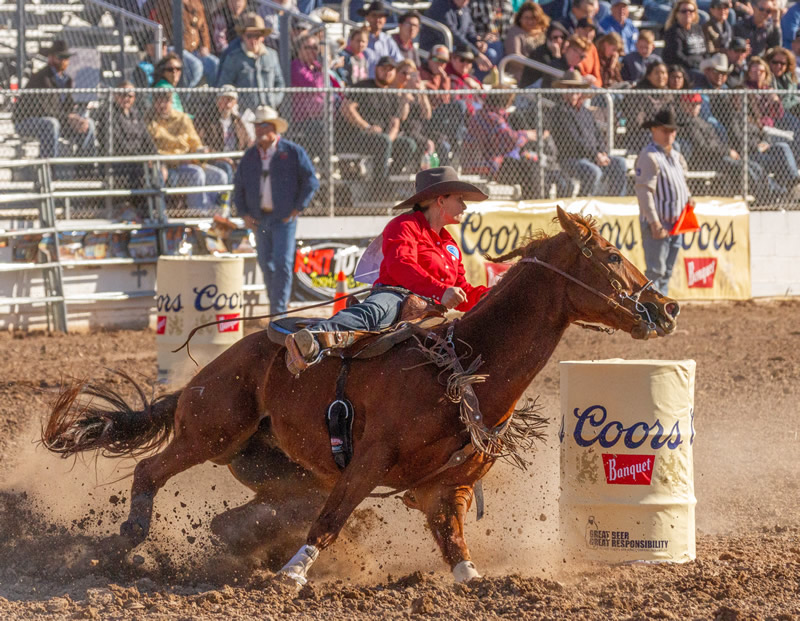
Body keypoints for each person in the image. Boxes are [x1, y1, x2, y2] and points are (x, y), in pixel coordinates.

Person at [284, 166, 489, 374]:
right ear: (441, 200)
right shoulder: (404, 225)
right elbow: (401, 265)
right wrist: (441, 291)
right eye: (459, 199)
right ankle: (314, 338)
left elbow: (462, 289)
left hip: (432, 308)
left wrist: (494, 295)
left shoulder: (450, 244)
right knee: (376, 312)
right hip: (395, 296)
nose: (464, 206)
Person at [233, 106, 319, 316]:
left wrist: (297, 208)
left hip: (283, 217)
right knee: (266, 263)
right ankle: (276, 309)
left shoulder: (292, 152)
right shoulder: (250, 156)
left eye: (263, 125)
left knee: (281, 263)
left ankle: (278, 311)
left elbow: (311, 181)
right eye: (257, 126)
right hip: (260, 218)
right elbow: (239, 185)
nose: (259, 130)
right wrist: (244, 213)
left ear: (274, 128)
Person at [634, 108, 691, 296]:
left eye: (672, 131)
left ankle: (660, 307)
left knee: (666, 272)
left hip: (676, 223)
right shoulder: (649, 155)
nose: (669, 135)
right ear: (654, 130)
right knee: (655, 272)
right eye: (665, 131)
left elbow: (681, 182)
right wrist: (654, 223)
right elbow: (644, 192)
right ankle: (650, 309)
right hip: (659, 223)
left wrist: (688, 198)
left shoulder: (675, 155)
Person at [336, 56, 417, 188]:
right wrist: (367, 127)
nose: (387, 72)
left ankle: (388, 181)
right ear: (376, 69)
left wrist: (389, 139)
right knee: (383, 141)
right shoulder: (364, 86)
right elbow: (346, 108)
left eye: (391, 69)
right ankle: (380, 187)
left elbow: (395, 124)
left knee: (409, 144)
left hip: (382, 139)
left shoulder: (393, 93)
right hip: (356, 137)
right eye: (384, 69)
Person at [13, 40, 97, 163]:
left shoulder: (67, 80)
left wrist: (77, 118)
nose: (64, 61)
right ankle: (50, 168)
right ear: (51, 58)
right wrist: (68, 118)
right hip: (26, 121)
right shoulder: (42, 78)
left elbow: (68, 108)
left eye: (66, 58)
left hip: (57, 119)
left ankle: (85, 168)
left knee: (88, 124)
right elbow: (43, 110)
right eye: (60, 57)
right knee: (51, 124)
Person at [548, 69, 628, 196]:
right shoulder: (558, 112)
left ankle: (615, 201)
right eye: (569, 88)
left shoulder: (586, 112)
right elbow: (573, 140)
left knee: (620, 163)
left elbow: (598, 135)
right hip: (571, 158)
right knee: (593, 172)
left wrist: (603, 152)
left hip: (592, 156)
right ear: (563, 90)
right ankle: (584, 201)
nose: (574, 92)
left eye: (577, 88)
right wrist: (595, 155)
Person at [147, 90, 229, 212]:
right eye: (159, 101)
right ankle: (197, 214)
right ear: (154, 103)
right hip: (168, 166)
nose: (162, 105)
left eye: (166, 101)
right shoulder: (150, 121)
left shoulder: (182, 118)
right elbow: (154, 151)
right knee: (196, 174)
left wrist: (200, 152)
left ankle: (217, 215)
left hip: (189, 161)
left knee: (220, 176)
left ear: (171, 102)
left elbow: (195, 143)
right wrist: (180, 158)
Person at [215, 13, 285, 113]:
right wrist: (235, 104)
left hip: (268, 112)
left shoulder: (272, 55)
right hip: (244, 114)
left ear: (263, 37)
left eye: (257, 36)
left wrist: (273, 100)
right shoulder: (234, 58)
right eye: (249, 36)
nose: (253, 40)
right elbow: (224, 85)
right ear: (243, 36)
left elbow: (280, 83)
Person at [96, 81, 157, 189]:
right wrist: (139, 157)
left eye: (130, 96)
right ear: (115, 95)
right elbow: (117, 142)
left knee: (158, 170)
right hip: (118, 162)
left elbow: (146, 139)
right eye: (123, 94)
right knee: (141, 173)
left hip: (137, 160)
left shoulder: (135, 114)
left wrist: (154, 156)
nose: (126, 98)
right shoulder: (109, 113)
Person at [143, 0, 219, 85]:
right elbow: (164, 28)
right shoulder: (166, 3)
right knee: (196, 66)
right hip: (175, 48)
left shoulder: (195, 2)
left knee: (214, 63)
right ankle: (186, 92)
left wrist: (205, 46)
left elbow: (203, 27)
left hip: (195, 50)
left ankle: (215, 92)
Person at [196, 85, 253, 182]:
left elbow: (247, 143)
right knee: (226, 167)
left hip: (235, 158)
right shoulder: (206, 119)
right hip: (215, 160)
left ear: (235, 103)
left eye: (230, 100)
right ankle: (230, 192)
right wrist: (222, 157)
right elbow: (201, 145)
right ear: (217, 101)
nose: (227, 104)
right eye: (224, 100)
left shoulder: (237, 121)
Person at [419, 0, 493, 72]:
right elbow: (454, 36)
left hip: (459, 49)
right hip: (438, 51)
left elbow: (470, 31)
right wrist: (476, 53)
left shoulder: (464, 7)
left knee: (489, 53)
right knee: (464, 60)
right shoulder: (439, 6)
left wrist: (477, 42)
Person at [504, 1, 550, 83]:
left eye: (533, 18)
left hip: (545, 76)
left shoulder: (545, 32)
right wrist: (537, 66)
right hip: (522, 78)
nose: (530, 21)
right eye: (526, 18)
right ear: (520, 18)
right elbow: (515, 58)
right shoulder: (515, 32)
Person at [519, 21, 569, 87]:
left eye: (562, 37)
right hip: (531, 89)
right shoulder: (540, 53)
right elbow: (553, 73)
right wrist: (556, 55)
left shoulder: (564, 51)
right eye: (555, 37)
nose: (559, 40)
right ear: (548, 39)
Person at [662, 0, 708, 71]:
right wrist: (695, 65)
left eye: (691, 11)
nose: (688, 13)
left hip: (702, 66)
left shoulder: (698, 29)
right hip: (685, 69)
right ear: (677, 14)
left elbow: (705, 51)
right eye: (684, 11)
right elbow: (677, 55)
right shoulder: (673, 32)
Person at [360, 0, 403, 74]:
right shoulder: (359, 38)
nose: (377, 20)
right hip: (363, 80)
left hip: (384, 80)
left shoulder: (388, 40)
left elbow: (399, 62)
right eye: (374, 15)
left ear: (384, 20)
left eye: (380, 16)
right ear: (367, 18)